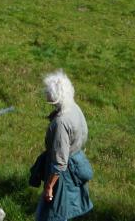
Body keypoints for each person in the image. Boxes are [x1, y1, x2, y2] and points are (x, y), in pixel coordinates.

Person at [35, 70, 93, 221]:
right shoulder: (74, 107)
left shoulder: (61, 122)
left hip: (63, 174)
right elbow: (84, 133)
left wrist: (49, 187)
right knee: (67, 211)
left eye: (48, 91)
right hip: (75, 164)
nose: (45, 94)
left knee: (51, 215)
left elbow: (60, 163)